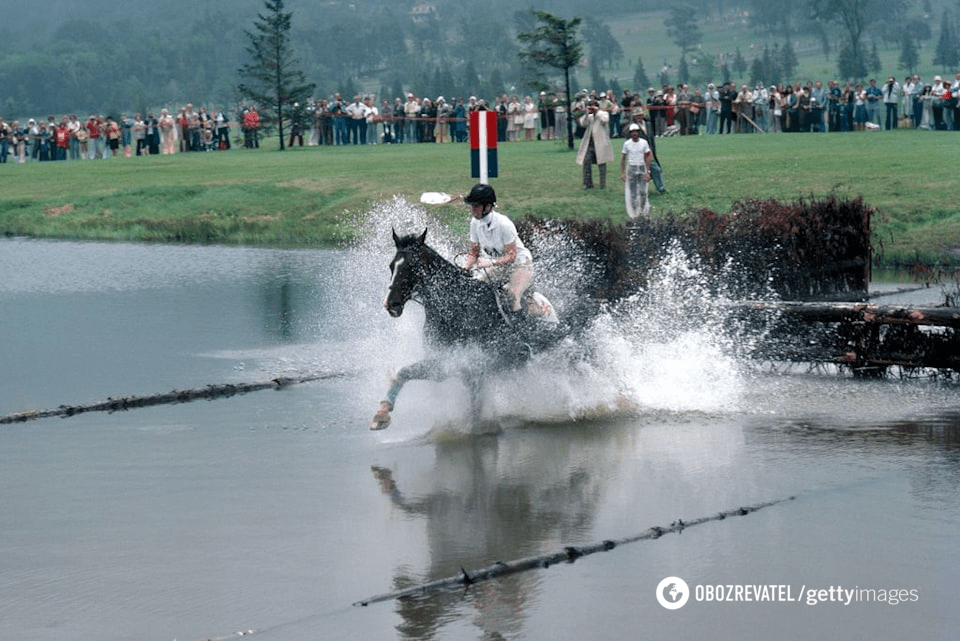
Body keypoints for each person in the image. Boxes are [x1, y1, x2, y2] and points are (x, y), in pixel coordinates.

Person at [462, 183, 534, 314]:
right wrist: (464, 268)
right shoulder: (474, 223)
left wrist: (490, 263)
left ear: (488, 206)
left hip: (520, 264)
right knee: (475, 287)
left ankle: (521, 330)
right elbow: (474, 253)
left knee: (512, 296)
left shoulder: (504, 224)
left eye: (476, 206)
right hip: (500, 265)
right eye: (472, 206)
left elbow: (512, 256)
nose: (473, 209)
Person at [576, 100, 614, 189]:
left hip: (601, 144)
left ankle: (602, 184)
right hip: (589, 144)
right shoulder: (589, 117)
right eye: (590, 107)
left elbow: (605, 120)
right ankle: (587, 183)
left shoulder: (603, 114)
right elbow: (583, 124)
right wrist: (586, 113)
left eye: (593, 107)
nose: (592, 109)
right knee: (586, 162)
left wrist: (597, 111)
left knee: (602, 164)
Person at [621, 123, 652, 220]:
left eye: (636, 132)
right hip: (631, 167)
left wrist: (648, 171)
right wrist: (623, 172)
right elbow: (623, 159)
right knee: (633, 192)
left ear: (639, 132)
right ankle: (634, 212)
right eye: (632, 132)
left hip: (641, 166)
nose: (634, 133)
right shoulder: (627, 144)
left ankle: (642, 211)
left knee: (643, 191)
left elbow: (647, 157)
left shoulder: (644, 143)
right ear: (630, 133)